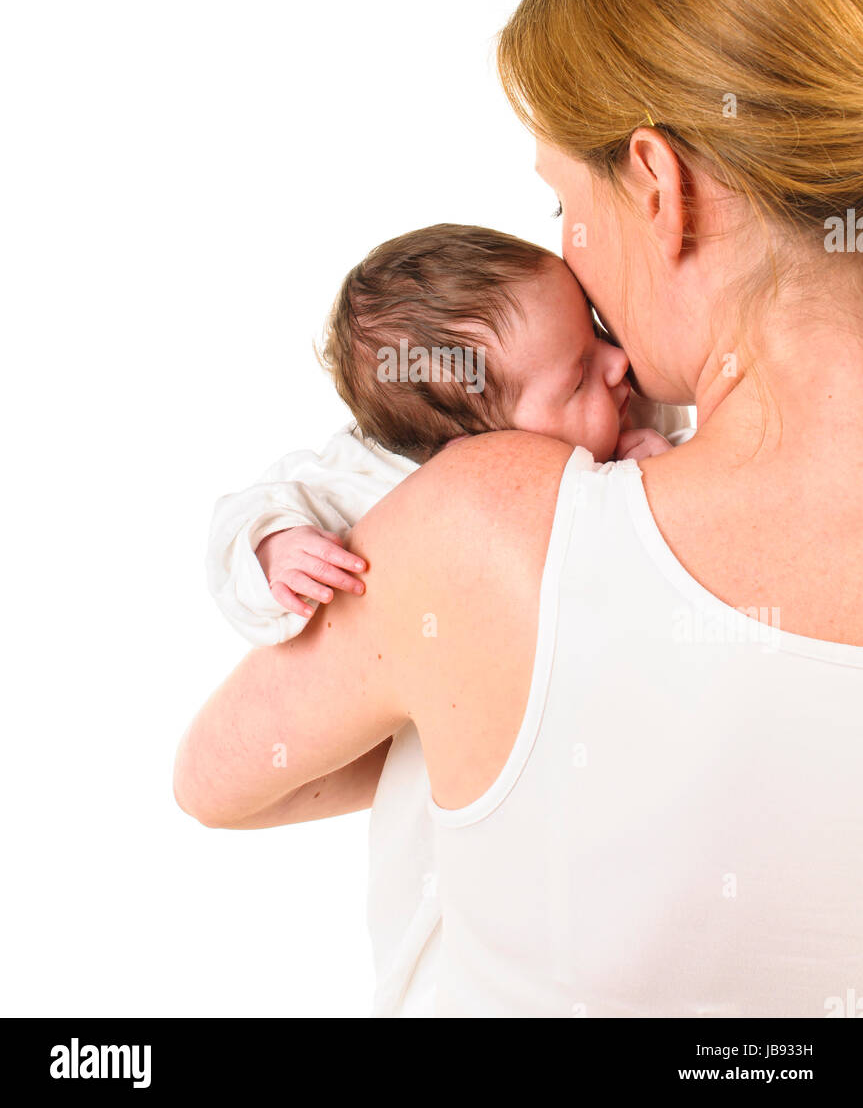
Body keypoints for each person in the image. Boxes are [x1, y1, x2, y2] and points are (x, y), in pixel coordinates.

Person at [174, 0, 863, 1017]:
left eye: (562, 205)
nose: (567, 259)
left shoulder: (493, 523)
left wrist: (446, 687)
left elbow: (217, 779)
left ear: (658, 184)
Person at [204, 222, 691, 1016]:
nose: (617, 363)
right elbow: (252, 510)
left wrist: (661, 474)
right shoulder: (379, 484)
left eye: (597, 331)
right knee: (448, 935)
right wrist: (274, 549)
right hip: (450, 860)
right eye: (575, 381)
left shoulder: (625, 421)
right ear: (470, 449)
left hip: (612, 843)